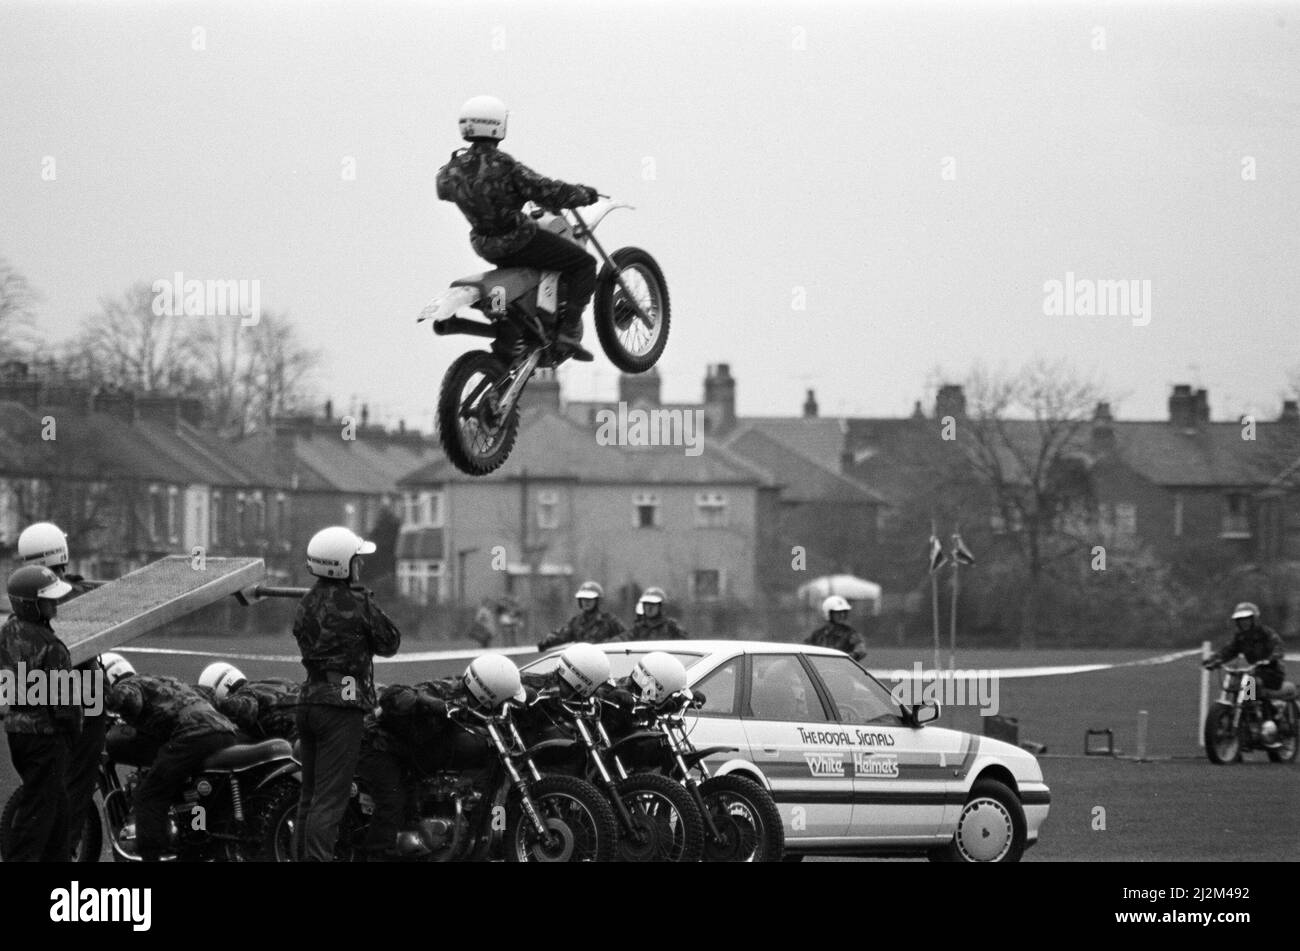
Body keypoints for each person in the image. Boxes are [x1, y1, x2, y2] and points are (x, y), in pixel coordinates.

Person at [436, 94, 602, 363]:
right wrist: (582, 194)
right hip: (519, 240)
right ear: (498, 126)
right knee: (583, 263)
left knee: (523, 269)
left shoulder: (450, 171)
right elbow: (547, 190)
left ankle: (518, 323)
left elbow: (444, 191)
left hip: (485, 245)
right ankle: (569, 331)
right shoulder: (504, 166)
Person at [293, 526, 402, 862]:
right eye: (356, 560)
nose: (360, 565)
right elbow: (390, 642)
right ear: (342, 565)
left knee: (309, 798)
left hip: (309, 699)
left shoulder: (306, 603)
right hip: (341, 706)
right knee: (330, 800)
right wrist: (367, 605)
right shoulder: (356, 603)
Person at [357, 654, 524, 860]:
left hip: (408, 752)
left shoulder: (478, 702)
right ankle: (376, 856)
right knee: (392, 802)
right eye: (502, 701)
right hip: (378, 744)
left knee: (417, 801)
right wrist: (428, 702)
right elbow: (393, 695)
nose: (503, 706)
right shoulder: (443, 690)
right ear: (487, 695)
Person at [17, 521, 104, 858]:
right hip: (81, 699)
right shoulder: (73, 595)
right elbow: (83, 596)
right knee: (77, 783)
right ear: (62, 554)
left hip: (35, 703)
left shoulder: (23, 598)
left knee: (42, 786)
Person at [101, 653, 240, 861]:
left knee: (149, 794)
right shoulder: (162, 680)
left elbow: (128, 700)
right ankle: (193, 840)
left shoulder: (129, 685)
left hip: (195, 734)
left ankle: (151, 857)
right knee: (187, 788)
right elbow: (208, 693)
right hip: (226, 732)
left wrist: (102, 701)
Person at [0, 565, 79, 861]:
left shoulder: (6, 633)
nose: (55, 604)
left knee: (58, 810)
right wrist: (73, 734)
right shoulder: (52, 646)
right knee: (38, 815)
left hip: (17, 734)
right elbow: (65, 704)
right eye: (48, 600)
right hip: (47, 738)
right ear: (31, 605)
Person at [1203, 602, 1287, 746]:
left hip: (1272, 672)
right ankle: (1246, 723)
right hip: (1255, 671)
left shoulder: (1266, 633)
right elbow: (1228, 651)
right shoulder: (1240, 637)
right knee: (1239, 684)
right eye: (1241, 620)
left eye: (1247, 619)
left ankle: (1267, 720)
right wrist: (1213, 661)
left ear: (1254, 619)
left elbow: (1278, 646)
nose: (1244, 622)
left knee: (1252, 684)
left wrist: (1272, 657)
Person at [196, 662, 300, 741]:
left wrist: (210, 703)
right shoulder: (277, 681)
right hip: (311, 724)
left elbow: (246, 712)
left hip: (300, 741)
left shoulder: (246, 694)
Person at [538, 581, 626, 650]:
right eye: (584, 599)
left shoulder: (609, 621)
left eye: (590, 599)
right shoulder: (576, 622)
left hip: (604, 661)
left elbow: (626, 637)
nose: (586, 602)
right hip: (582, 662)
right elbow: (562, 635)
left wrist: (608, 644)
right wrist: (547, 643)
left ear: (597, 601)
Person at [804, 595, 867, 662]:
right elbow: (805, 648)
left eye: (844, 612)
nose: (842, 615)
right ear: (829, 613)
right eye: (838, 612)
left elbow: (861, 650)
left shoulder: (851, 634)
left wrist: (849, 657)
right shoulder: (818, 634)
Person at [621, 587, 688, 641]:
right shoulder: (637, 629)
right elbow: (621, 641)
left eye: (653, 604)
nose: (649, 607)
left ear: (661, 607)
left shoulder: (672, 628)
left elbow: (685, 646)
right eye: (646, 604)